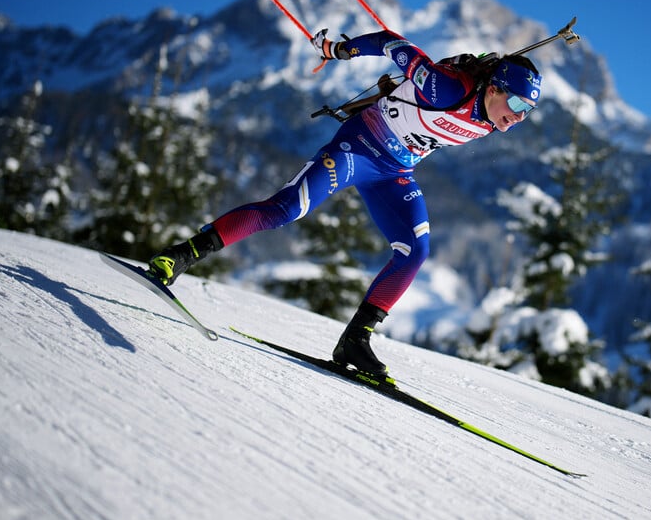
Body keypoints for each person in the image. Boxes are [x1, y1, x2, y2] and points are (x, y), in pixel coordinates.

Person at [148, 27, 543, 377]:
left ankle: (355, 340)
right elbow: (393, 43)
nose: (520, 117)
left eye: (529, 111)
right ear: (494, 89)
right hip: (359, 148)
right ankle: (178, 256)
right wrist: (340, 49)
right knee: (287, 209)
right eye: (519, 105)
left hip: (396, 171)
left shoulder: (493, 118)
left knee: (415, 250)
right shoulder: (448, 87)